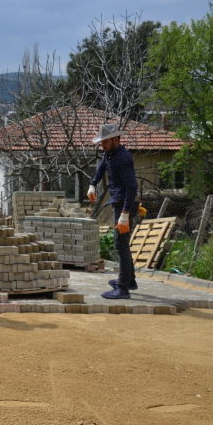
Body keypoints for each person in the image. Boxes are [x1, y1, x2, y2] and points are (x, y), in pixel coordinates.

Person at [87, 123, 138, 299]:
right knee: (122, 244)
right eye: (101, 142)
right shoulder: (110, 154)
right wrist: (93, 184)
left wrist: (125, 214)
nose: (103, 145)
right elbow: (101, 167)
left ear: (116, 139)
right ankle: (129, 281)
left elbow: (132, 187)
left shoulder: (123, 158)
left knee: (120, 244)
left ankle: (123, 288)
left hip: (125, 204)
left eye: (106, 142)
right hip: (119, 202)